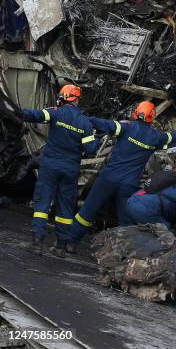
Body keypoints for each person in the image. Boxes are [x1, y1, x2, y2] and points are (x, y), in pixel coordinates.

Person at [68, 101, 176, 247]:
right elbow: (174, 137)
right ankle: (124, 253)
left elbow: (101, 123)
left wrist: (78, 118)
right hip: (128, 185)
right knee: (125, 220)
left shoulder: (125, 127)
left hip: (107, 179)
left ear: (136, 113)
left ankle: (70, 243)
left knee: (88, 210)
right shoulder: (155, 138)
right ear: (152, 117)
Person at [21, 84, 97, 256]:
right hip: (70, 169)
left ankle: (37, 243)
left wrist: (20, 112)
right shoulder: (85, 122)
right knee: (65, 206)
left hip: (50, 166)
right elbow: (91, 149)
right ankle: (61, 246)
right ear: (77, 99)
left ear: (63, 98)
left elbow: (37, 115)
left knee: (42, 203)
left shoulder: (55, 112)